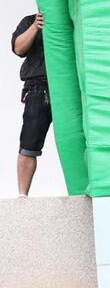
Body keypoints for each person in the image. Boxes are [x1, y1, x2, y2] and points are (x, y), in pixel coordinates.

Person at [11, 12, 50, 197]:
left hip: (69, 86)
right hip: (38, 86)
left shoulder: (74, 17)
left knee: (76, 138)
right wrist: (35, 26)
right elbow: (19, 48)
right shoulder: (29, 21)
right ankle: (22, 195)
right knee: (29, 142)